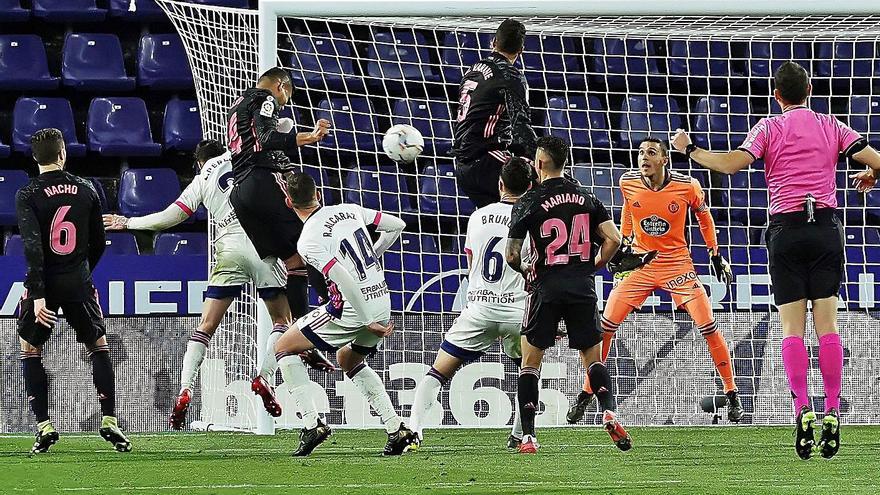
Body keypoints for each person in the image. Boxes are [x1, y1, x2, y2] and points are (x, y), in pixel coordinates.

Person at [672, 61, 880, 459]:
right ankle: (833, 409)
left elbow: (732, 164)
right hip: (825, 228)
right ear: (810, 90)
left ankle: (802, 408)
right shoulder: (832, 124)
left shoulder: (769, 127)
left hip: (785, 230)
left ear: (776, 95)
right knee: (828, 324)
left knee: (791, 328)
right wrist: (871, 175)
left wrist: (690, 149)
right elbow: (878, 160)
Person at [103, 139, 333, 429]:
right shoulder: (247, 156)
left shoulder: (203, 177)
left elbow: (169, 217)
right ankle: (264, 377)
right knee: (281, 320)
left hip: (229, 249)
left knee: (206, 327)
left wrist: (128, 223)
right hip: (264, 244)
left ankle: (185, 388)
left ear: (199, 162)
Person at [566, 138, 743, 425]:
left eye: (651, 153)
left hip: (677, 266)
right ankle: (586, 394)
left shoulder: (688, 186)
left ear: (664, 160)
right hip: (640, 264)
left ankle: (732, 393)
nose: (643, 157)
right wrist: (624, 245)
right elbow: (627, 210)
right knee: (606, 327)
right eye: (640, 153)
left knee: (708, 326)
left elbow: (704, 215)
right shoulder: (628, 182)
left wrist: (714, 254)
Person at [272, 173, 415, 457]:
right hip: (381, 298)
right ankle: (396, 428)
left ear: (289, 203)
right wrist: (373, 255)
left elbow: (342, 278)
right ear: (319, 194)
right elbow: (397, 225)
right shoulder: (347, 210)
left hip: (351, 308)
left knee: (283, 347)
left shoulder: (308, 239)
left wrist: (365, 320)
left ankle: (312, 424)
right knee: (347, 358)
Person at [505, 136, 629, 454]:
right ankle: (608, 411)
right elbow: (613, 238)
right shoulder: (585, 195)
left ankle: (529, 437)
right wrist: (595, 264)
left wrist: (526, 273)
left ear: (541, 163)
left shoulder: (529, 200)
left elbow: (511, 256)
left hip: (545, 287)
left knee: (531, 364)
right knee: (593, 359)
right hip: (582, 287)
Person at [16, 128, 131, 453]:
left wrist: (38, 294)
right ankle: (109, 420)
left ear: (36, 157)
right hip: (78, 281)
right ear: (63, 153)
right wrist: (81, 273)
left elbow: (32, 246)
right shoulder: (86, 189)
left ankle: (44, 426)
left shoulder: (27, 194)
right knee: (98, 345)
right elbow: (98, 242)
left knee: (29, 349)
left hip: (44, 286)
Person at [409, 157, 533, 449]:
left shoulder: (478, 216)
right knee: (528, 371)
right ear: (530, 187)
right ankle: (519, 435)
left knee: (437, 371)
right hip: (517, 310)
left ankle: (413, 430)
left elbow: (471, 261)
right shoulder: (532, 219)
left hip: (479, 307)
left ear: (500, 184)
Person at [227, 67, 331, 326]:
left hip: (240, 193)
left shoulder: (238, 103)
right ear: (281, 86)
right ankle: (335, 306)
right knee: (315, 237)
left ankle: (301, 330)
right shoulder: (266, 98)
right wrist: (311, 136)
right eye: (287, 97)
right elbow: (266, 138)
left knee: (294, 261)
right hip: (263, 179)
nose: (284, 104)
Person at [452, 18, 537, 208]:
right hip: (486, 160)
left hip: (462, 164)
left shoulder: (472, 70)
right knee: (554, 189)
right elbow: (521, 126)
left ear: (493, 43)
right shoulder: (511, 76)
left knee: (499, 219)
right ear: (521, 51)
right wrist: (542, 162)